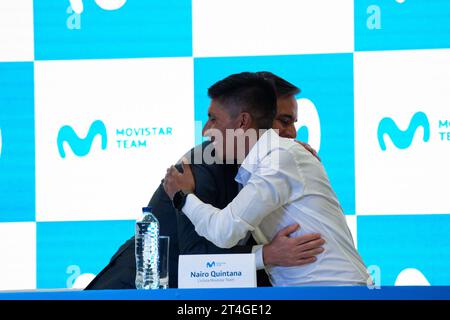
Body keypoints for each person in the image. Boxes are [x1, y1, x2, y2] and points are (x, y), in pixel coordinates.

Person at [85, 72, 324, 290]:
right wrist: (268, 255)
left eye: (293, 123)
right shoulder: (203, 164)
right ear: (254, 118)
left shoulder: (278, 163)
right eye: (284, 121)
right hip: (135, 291)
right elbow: (199, 259)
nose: (292, 132)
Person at [163, 72, 371, 286]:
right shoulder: (263, 163)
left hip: (336, 293)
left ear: (243, 121)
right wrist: (265, 255)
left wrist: (182, 197)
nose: (206, 130)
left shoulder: (280, 158)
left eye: (213, 119)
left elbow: (224, 231)